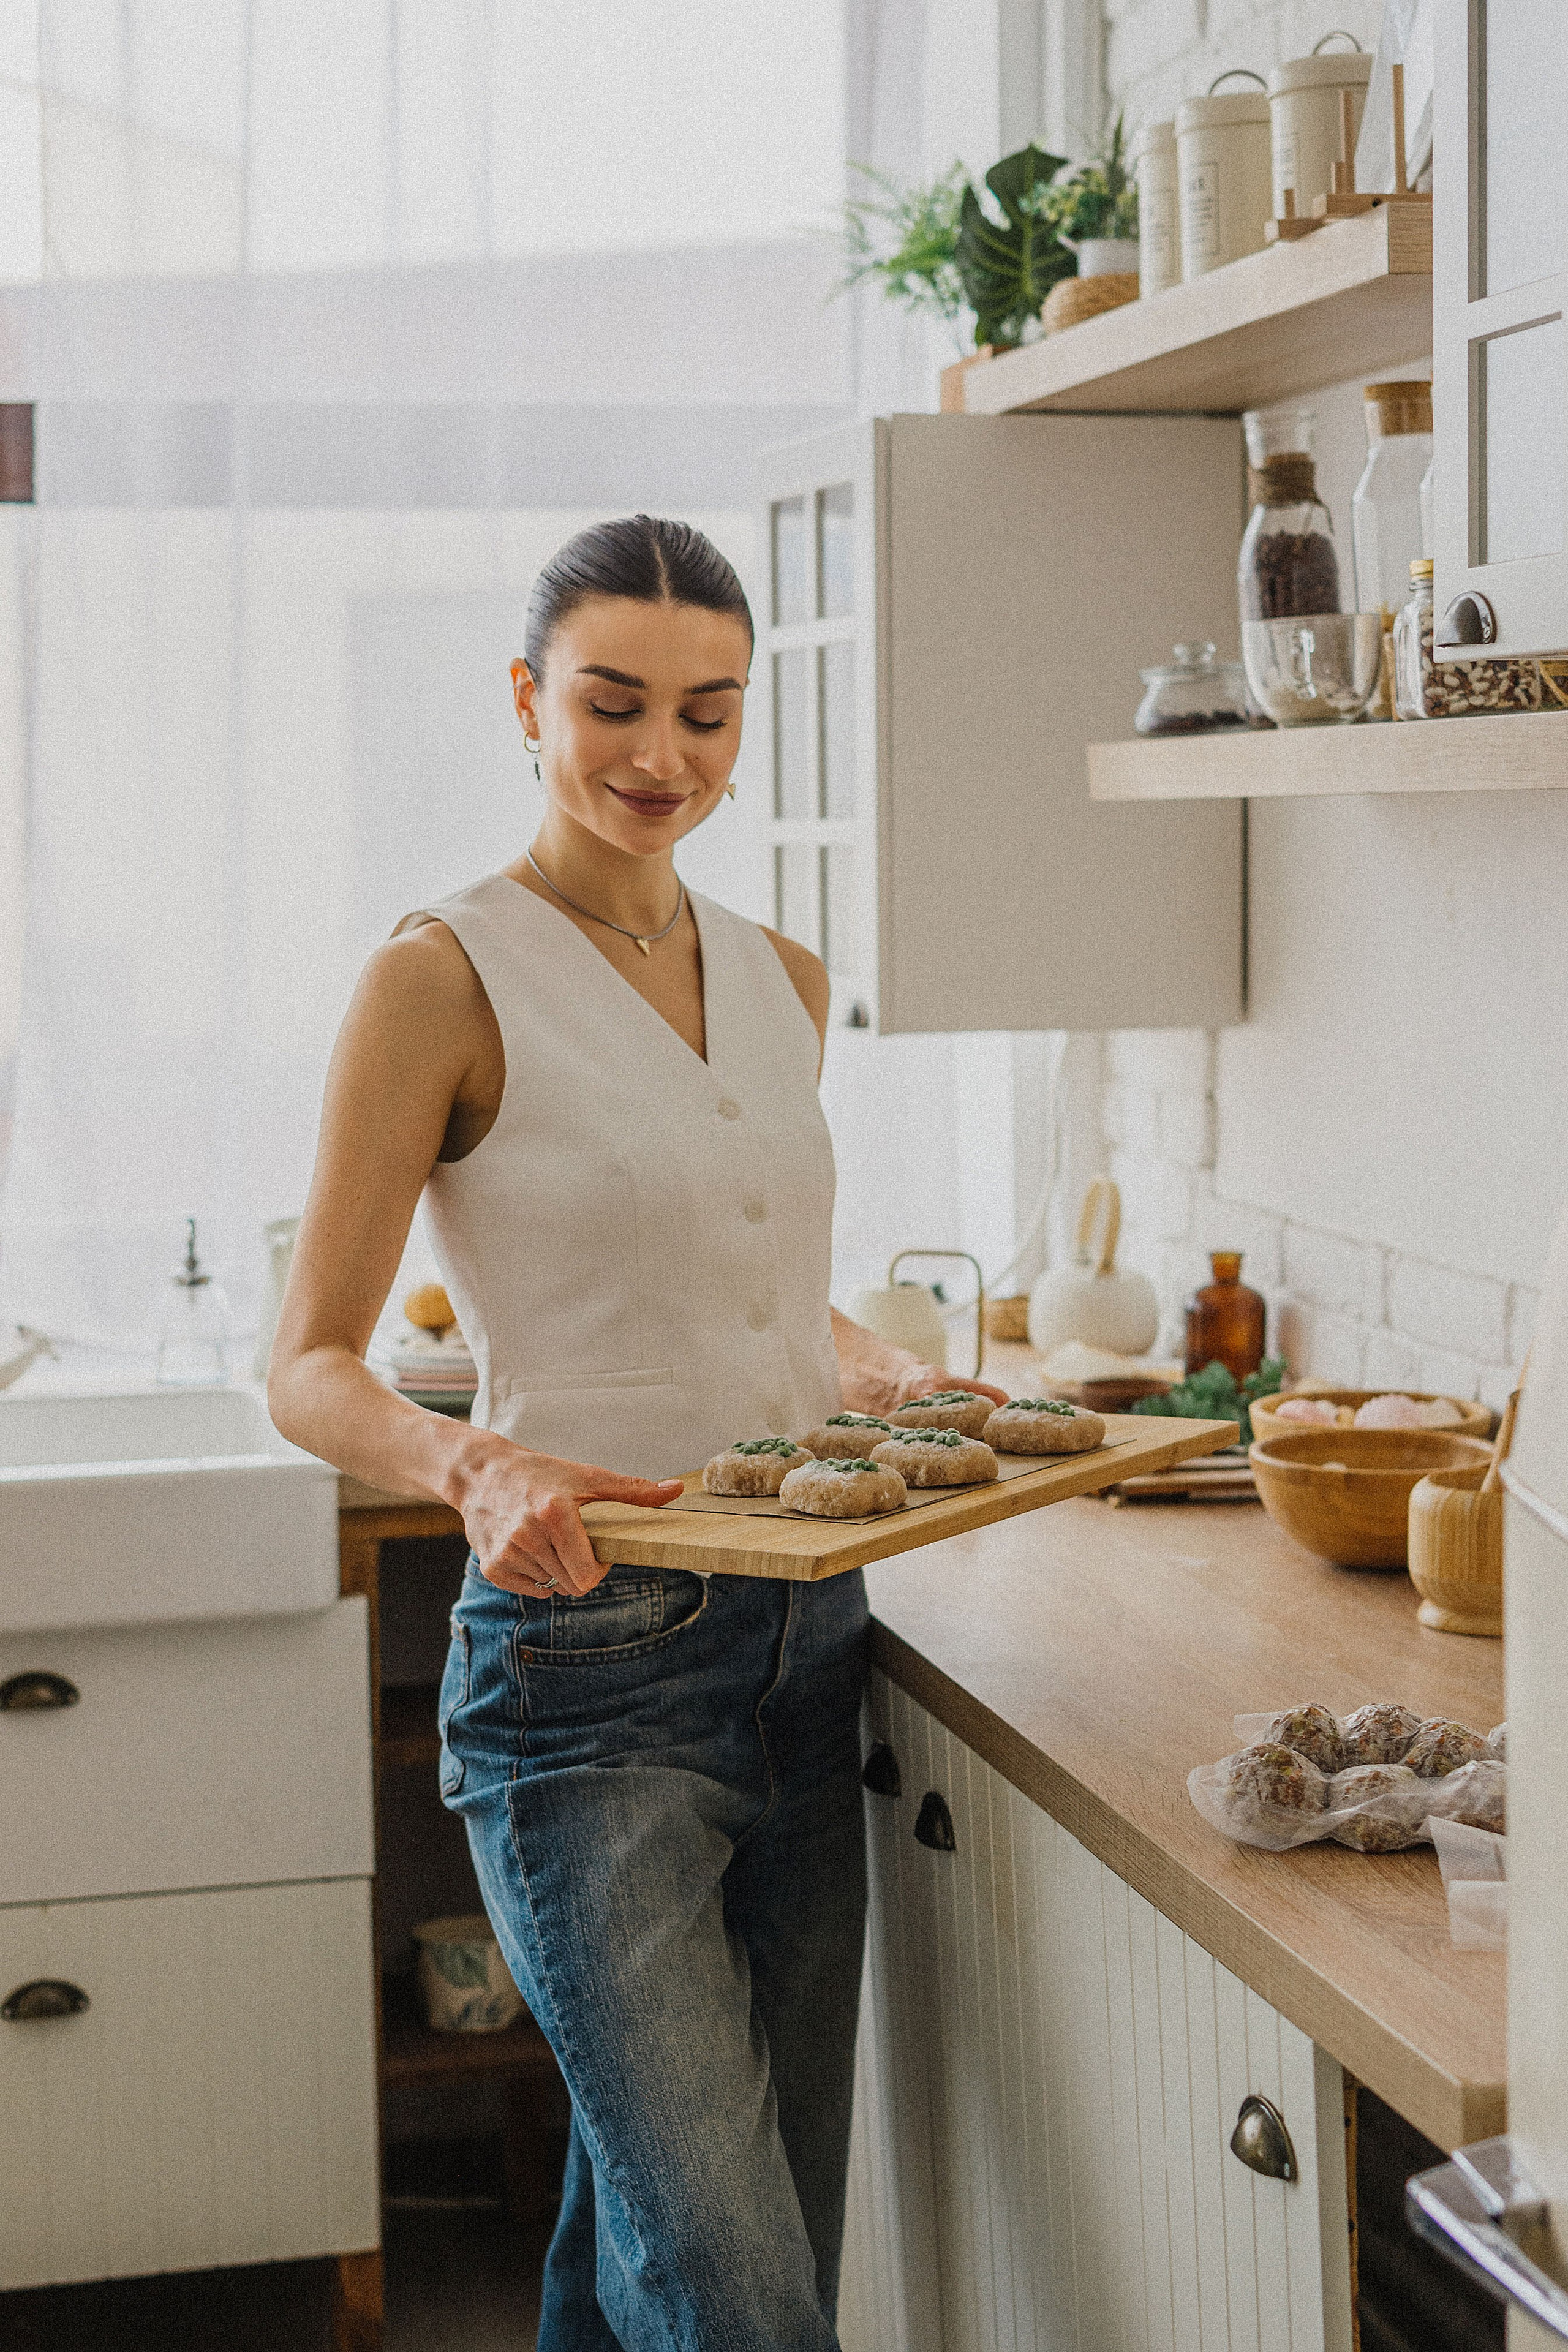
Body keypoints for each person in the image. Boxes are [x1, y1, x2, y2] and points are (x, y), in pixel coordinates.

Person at [268, 513, 1005, 2350]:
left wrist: (869, 1366)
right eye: (613, 704)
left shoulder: (786, 979)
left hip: (810, 1646)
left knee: (705, 2245)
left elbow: (746, 1289)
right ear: (529, 702)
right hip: (585, 1678)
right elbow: (308, 1365)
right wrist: (475, 1464)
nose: (662, 756)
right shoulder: (440, 975)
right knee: (736, 2296)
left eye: (707, 712)